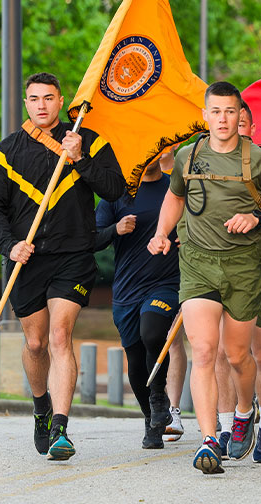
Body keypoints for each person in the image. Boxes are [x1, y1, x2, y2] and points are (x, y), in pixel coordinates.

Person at [146, 81, 261, 474]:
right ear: (205, 115)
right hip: (197, 263)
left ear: (239, 115)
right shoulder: (187, 156)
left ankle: (244, 412)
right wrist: (162, 232)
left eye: (230, 112)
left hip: (243, 267)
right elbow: (175, 196)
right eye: (215, 112)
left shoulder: (259, 160)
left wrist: (257, 217)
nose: (222, 119)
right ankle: (209, 439)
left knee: (237, 356)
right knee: (203, 351)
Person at [0, 72, 126, 460]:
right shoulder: (4, 153)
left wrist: (80, 158)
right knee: (36, 342)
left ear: (62, 102)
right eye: (33, 98)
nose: (41, 105)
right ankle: (41, 406)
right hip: (26, 260)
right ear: (25, 103)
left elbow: (115, 188)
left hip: (74, 256)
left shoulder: (88, 141)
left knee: (60, 337)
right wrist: (9, 247)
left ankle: (60, 428)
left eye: (48, 98)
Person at [94, 150, 180, 449]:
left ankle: (159, 397)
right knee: (135, 359)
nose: (151, 155)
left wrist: (185, 234)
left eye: (158, 150)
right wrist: (115, 229)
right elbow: (92, 237)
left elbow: (198, 221)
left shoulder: (176, 187)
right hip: (127, 288)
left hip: (166, 281)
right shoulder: (117, 194)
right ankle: (151, 418)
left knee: (153, 332)